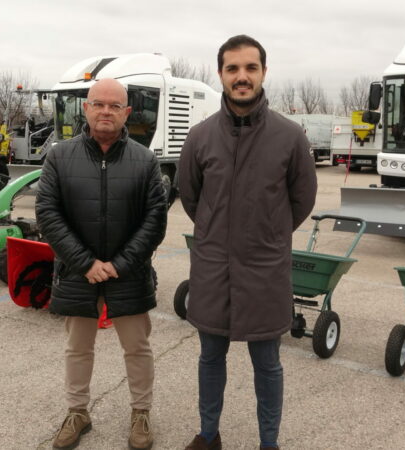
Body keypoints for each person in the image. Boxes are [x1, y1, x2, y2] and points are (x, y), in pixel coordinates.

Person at [178, 35, 318, 450]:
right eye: (233, 69)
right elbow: (191, 196)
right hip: (212, 269)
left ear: (263, 73)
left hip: (265, 269)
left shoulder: (290, 137)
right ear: (220, 74)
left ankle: (268, 443)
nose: (242, 77)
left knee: (267, 363)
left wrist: (267, 235)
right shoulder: (200, 137)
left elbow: (302, 199)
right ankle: (208, 435)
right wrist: (218, 234)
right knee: (209, 358)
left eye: (250, 68)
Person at [36, 78, 167, 450]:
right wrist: (85, 262)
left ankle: (141, 413)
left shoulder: (144, 160)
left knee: (137, 348)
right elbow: (48, 213)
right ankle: (78, 412)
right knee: (78, 348)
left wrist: (121, 264)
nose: (106, 111)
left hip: (130, 274)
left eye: (114, 106)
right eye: (99, 104)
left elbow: (155, 218)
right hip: (79, 274)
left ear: (127, 113)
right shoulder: (60, 156)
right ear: (86, 108)